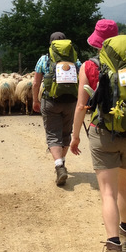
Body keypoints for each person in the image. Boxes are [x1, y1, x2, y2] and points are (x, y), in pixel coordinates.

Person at [69, 19, 126, 252]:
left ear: (97, 42)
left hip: (103, 133)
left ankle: (113, 251)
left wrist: (75, 135)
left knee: (108, 193)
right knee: (125, 187)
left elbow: (81, 105)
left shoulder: (89, 66)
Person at [33, 32, 81, 186]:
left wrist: (35, 100)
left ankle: (59, 166)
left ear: (51, 44)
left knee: (53, 134)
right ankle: (62, 162)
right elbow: (82, 80)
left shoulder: (44, 59)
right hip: (70, 102)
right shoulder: (75, 60)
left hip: (50, 100)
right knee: (66, 133)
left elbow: (35, 83)